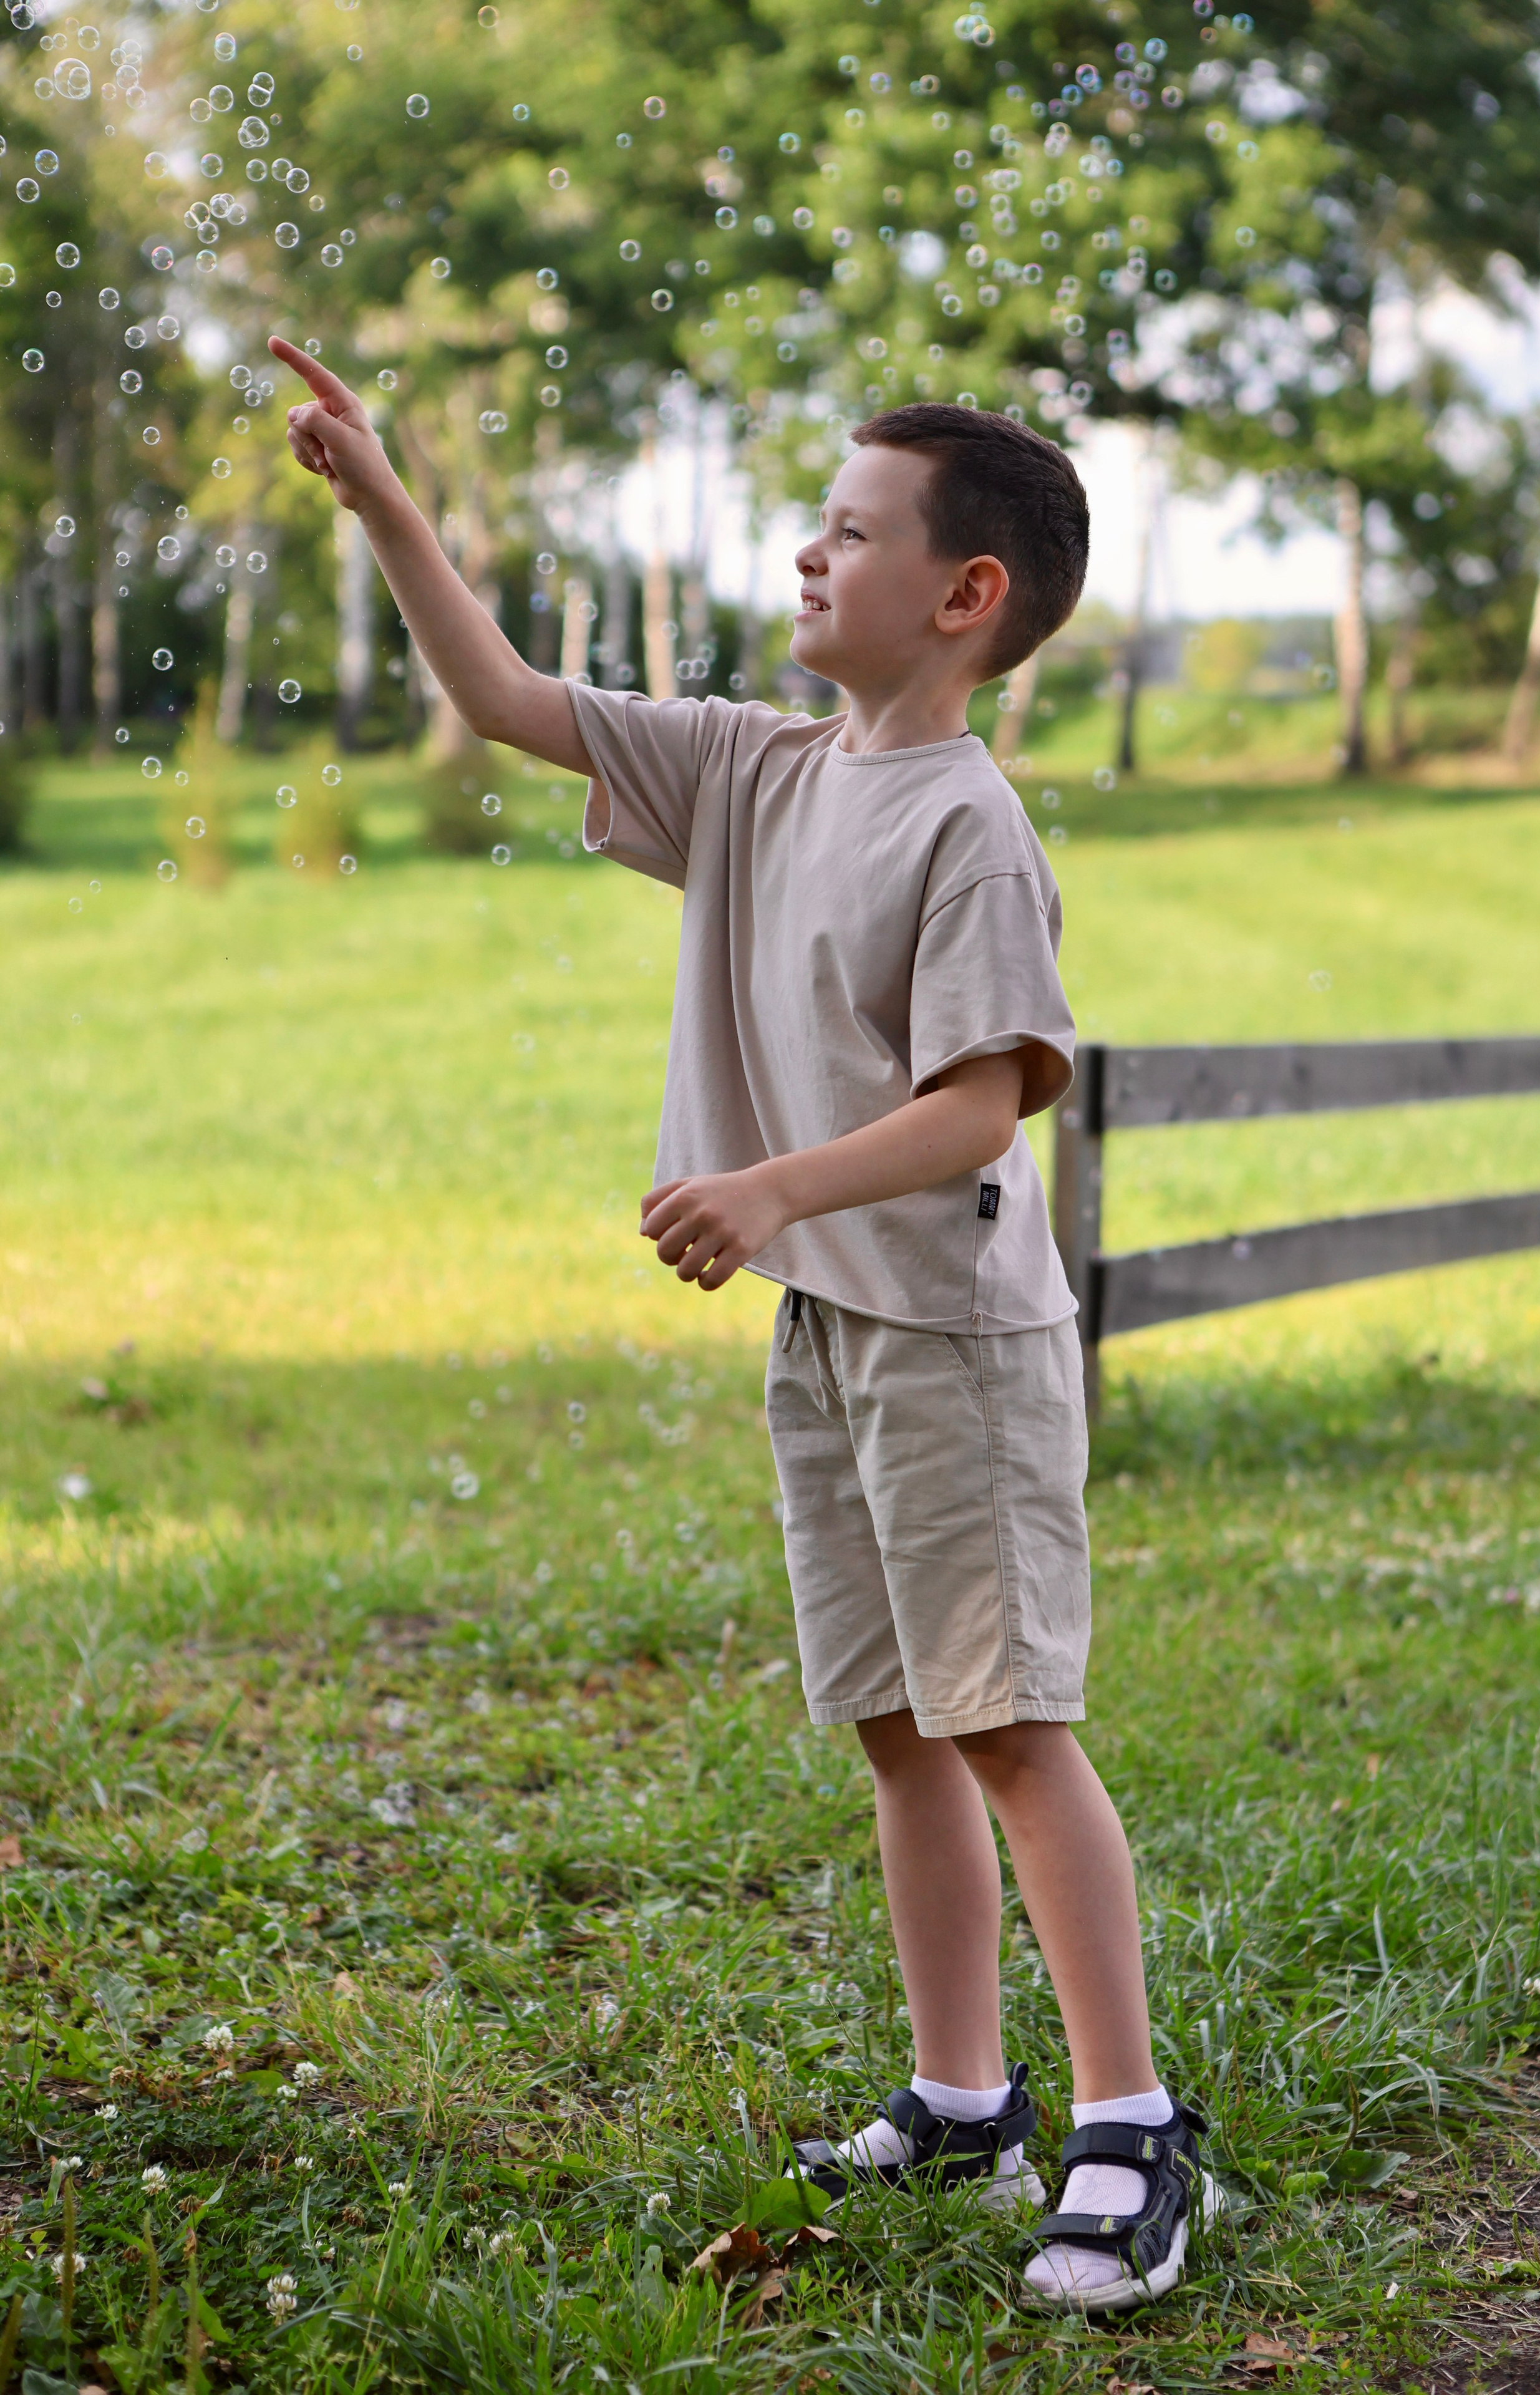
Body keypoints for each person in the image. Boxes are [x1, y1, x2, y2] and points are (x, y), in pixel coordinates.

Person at [269, 334, 1215, 2313]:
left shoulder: (967, 826)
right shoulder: (754, 769)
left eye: (849, 530)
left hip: (951, 1334)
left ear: (965, 599)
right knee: (897, 1727)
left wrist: (775, 1185)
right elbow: (513, 699)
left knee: (1012, 1726)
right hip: (831, 1329)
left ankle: (1130, 2133)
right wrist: (387, 506)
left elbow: (986, 1097)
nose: (806, 553)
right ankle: (966, 2097)